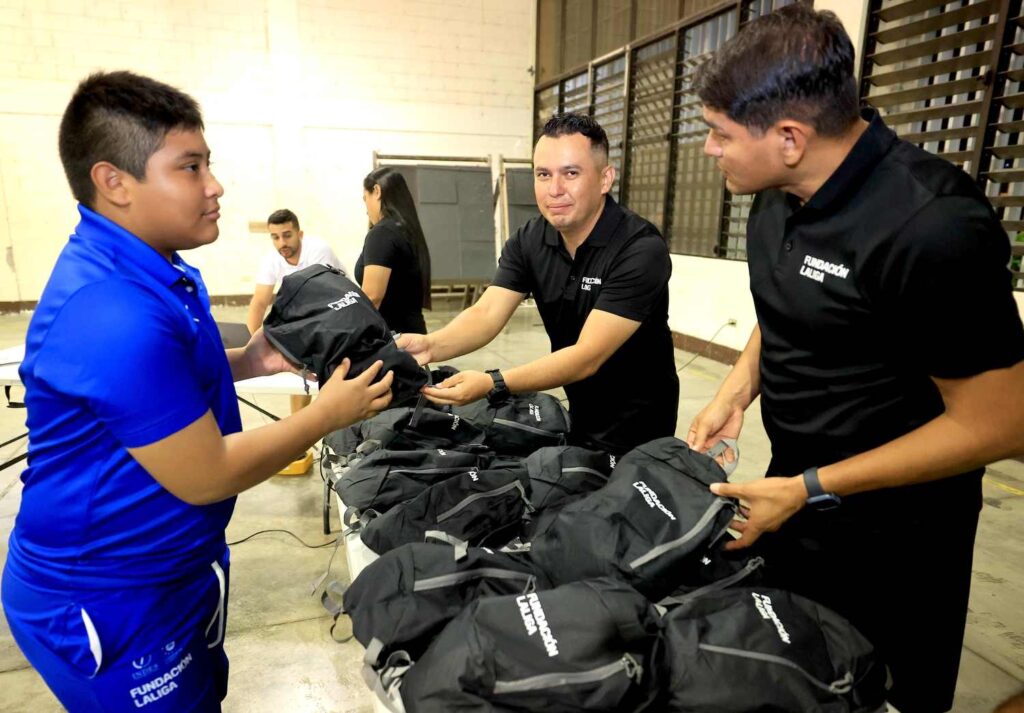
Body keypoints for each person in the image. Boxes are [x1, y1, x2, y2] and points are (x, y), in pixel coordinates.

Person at [1, 71, 393, 712]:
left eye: (207, 164)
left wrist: (250, 360)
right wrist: (325, 415)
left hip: (173, 570)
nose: (215, 186)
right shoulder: (113, 309)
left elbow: (167, 381)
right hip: (108, 596)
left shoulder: (157, 268)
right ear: (114, 182)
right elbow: (208, 473)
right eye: (190, 168)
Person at [685, 6, 1024, 712]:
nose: (709, 149)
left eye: (720, 134)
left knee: (877, 690)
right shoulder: (776, 195)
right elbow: (792, 304)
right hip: (792, 495)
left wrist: (812, 486)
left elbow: (1001, 422)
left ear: (789, 138)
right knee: (793, 675)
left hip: (898, 536)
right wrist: (738, 388)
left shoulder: (932, 226)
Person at [398, 113, 679, 456]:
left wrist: (493, 382)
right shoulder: (530, 239)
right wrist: (430, 346)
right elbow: (487, 312)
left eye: (571, 173)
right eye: (543, 174)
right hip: (579, 411)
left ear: (605, 179)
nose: (554, 190)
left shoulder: (639, 248)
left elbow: (587, 356)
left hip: (641, 428)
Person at [247, 209, 347, 473]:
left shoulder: (319, 252)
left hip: (338, 308)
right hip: (304, 314)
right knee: (299, 372)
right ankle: (300, 438)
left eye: (287, 235)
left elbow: (326, 300)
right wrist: (254, 346)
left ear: (299, 233)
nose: (282, 243)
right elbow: (259, 302)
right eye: (275, 237)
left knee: (332, 376)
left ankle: (340, 438)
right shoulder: (272, 259)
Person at [355, 167, 432, 334]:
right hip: (413, 333)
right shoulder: (407, 229)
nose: (366, 210)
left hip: (392, 337)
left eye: (365, 199)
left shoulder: (382, 233)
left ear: (376, 191)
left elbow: (372, 297)